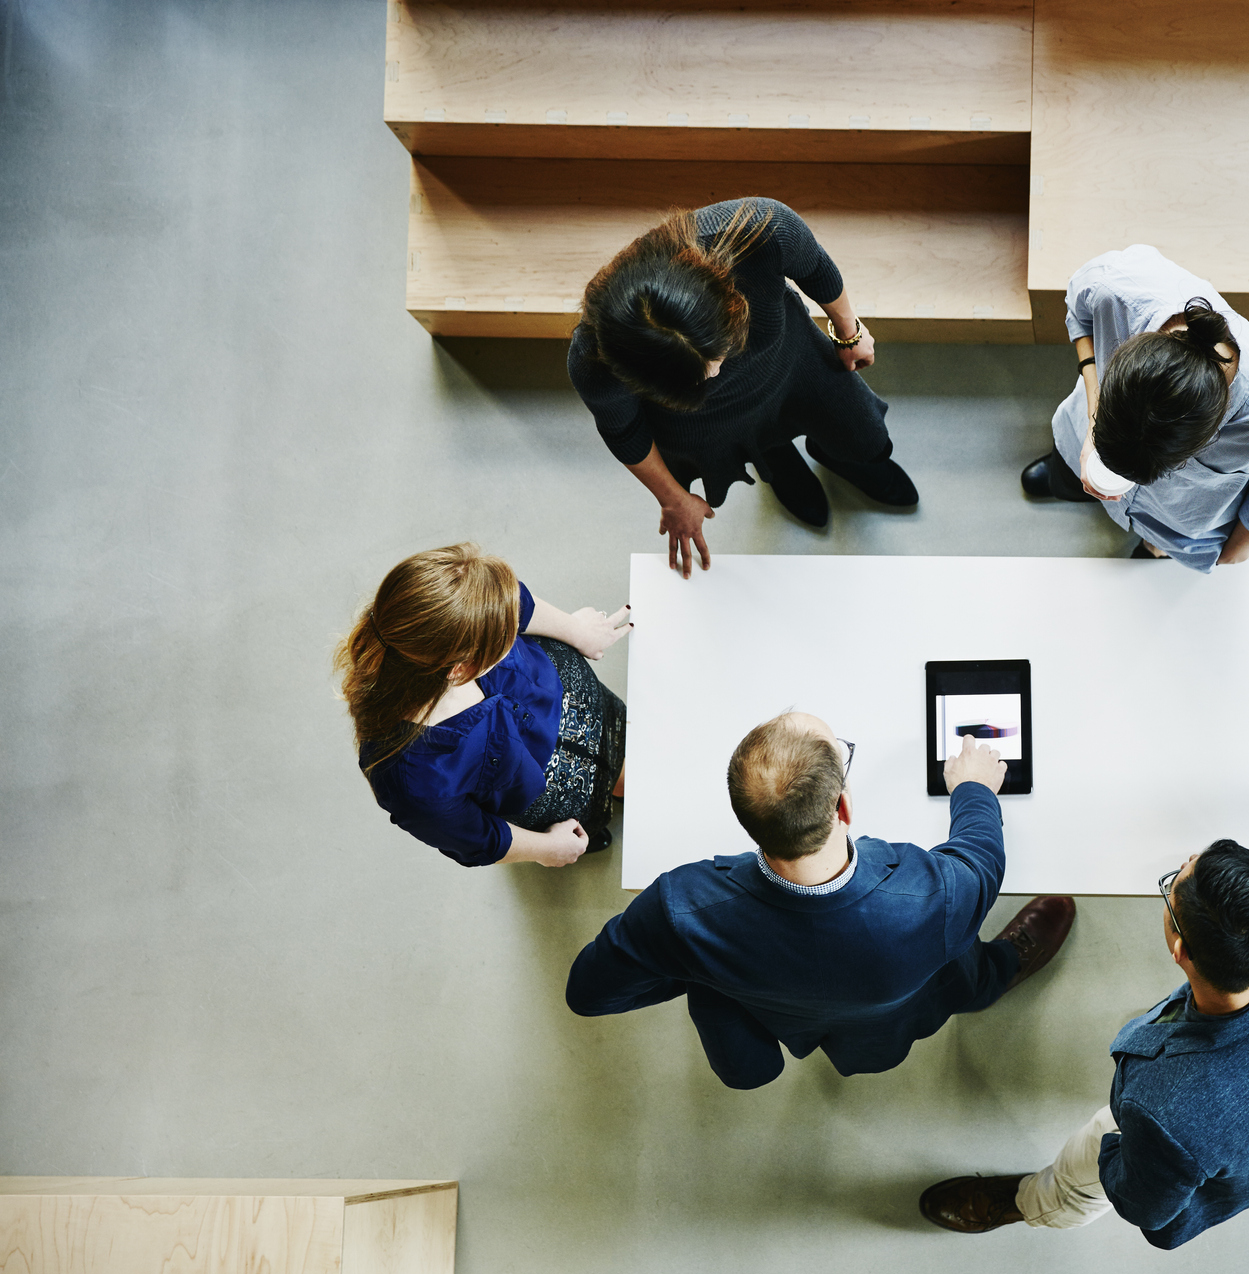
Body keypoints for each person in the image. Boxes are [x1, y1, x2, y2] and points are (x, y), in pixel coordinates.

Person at [565, 712, 1074, 1089]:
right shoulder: (932, 893)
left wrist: (702, 969)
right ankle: (998, 973)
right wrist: (975, 789)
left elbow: (589, 994)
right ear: (845, 805)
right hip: (893, 1017)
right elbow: (981, 860)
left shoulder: (680, 909)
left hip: (788, 1019)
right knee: (966, 963)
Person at [918, 840, 1249, 1249]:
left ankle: (1028, 1202)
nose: (1180, 869)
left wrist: (1113, 1148)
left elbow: (1144, 1205)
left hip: (1193, 1141)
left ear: (1180, 948)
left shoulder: (1164, 1112)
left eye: (1173, 886)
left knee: (1082, 1169)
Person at [569, 197, 918, 575]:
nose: (715, 375)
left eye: (718, 357)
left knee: (867, 438)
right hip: (703, 420)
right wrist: (672, 499)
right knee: (765, 449)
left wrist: (849, 331)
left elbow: (815, 267)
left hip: (789, 363)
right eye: (696, 376)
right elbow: (624, 430)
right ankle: (779, 461)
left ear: (730, 301)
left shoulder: (760, 233)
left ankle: (835, 455)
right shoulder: (595, 361)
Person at [1019, 245, 1249, 572]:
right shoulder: (1117, 287)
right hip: (1083, 429)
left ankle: (1155, 545)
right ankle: (1067, 472)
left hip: (1177, 515)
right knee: (1069, 475)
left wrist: (1232, 552)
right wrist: (1094, 419)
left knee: (1163, 536)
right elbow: (1079, 308)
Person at [336, 544, 632, 868]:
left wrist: (577, 631)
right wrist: (549, 849)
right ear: (460, 669)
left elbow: (515, 602)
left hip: (567, 696)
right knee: (628, 785)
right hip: (547, 789)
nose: (516, 628)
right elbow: (478, 837)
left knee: (627, 769)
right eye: (506, 637)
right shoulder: (408, 778)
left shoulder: (457, 599)